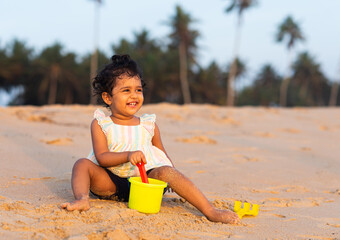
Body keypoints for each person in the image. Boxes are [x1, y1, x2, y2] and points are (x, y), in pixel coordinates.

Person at [61, 54, 239, 224]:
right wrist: (127, 155)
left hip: (145, 181)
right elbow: (102, 157)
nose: (134, 95)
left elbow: (161, 153)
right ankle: (82, 199)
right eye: (126, 90)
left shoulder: (148, 124)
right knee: (81, 164)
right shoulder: (101, 124)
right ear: (108, 97)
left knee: (168, 171)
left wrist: (170, 174)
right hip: (111, 182)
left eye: (138, 90)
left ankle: (210, 210)